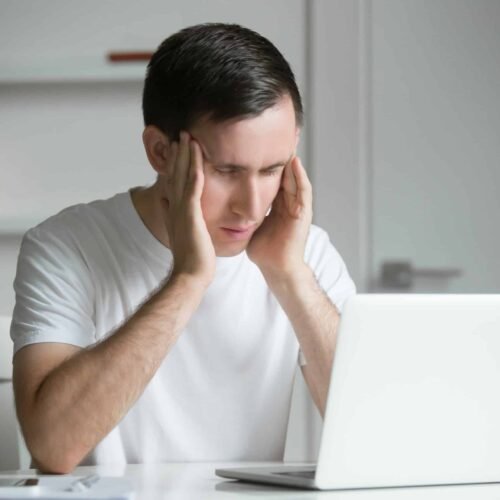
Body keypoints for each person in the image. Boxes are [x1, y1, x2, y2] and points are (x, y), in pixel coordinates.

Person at [10, 23, 356, 473]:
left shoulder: (304, 253)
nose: (252, 206)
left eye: (272, 169)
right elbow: (54, 447)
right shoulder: (66, 246)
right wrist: (189, 278)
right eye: (227, 170)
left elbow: (381, 434)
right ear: (160, 152)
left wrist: (290, 275)